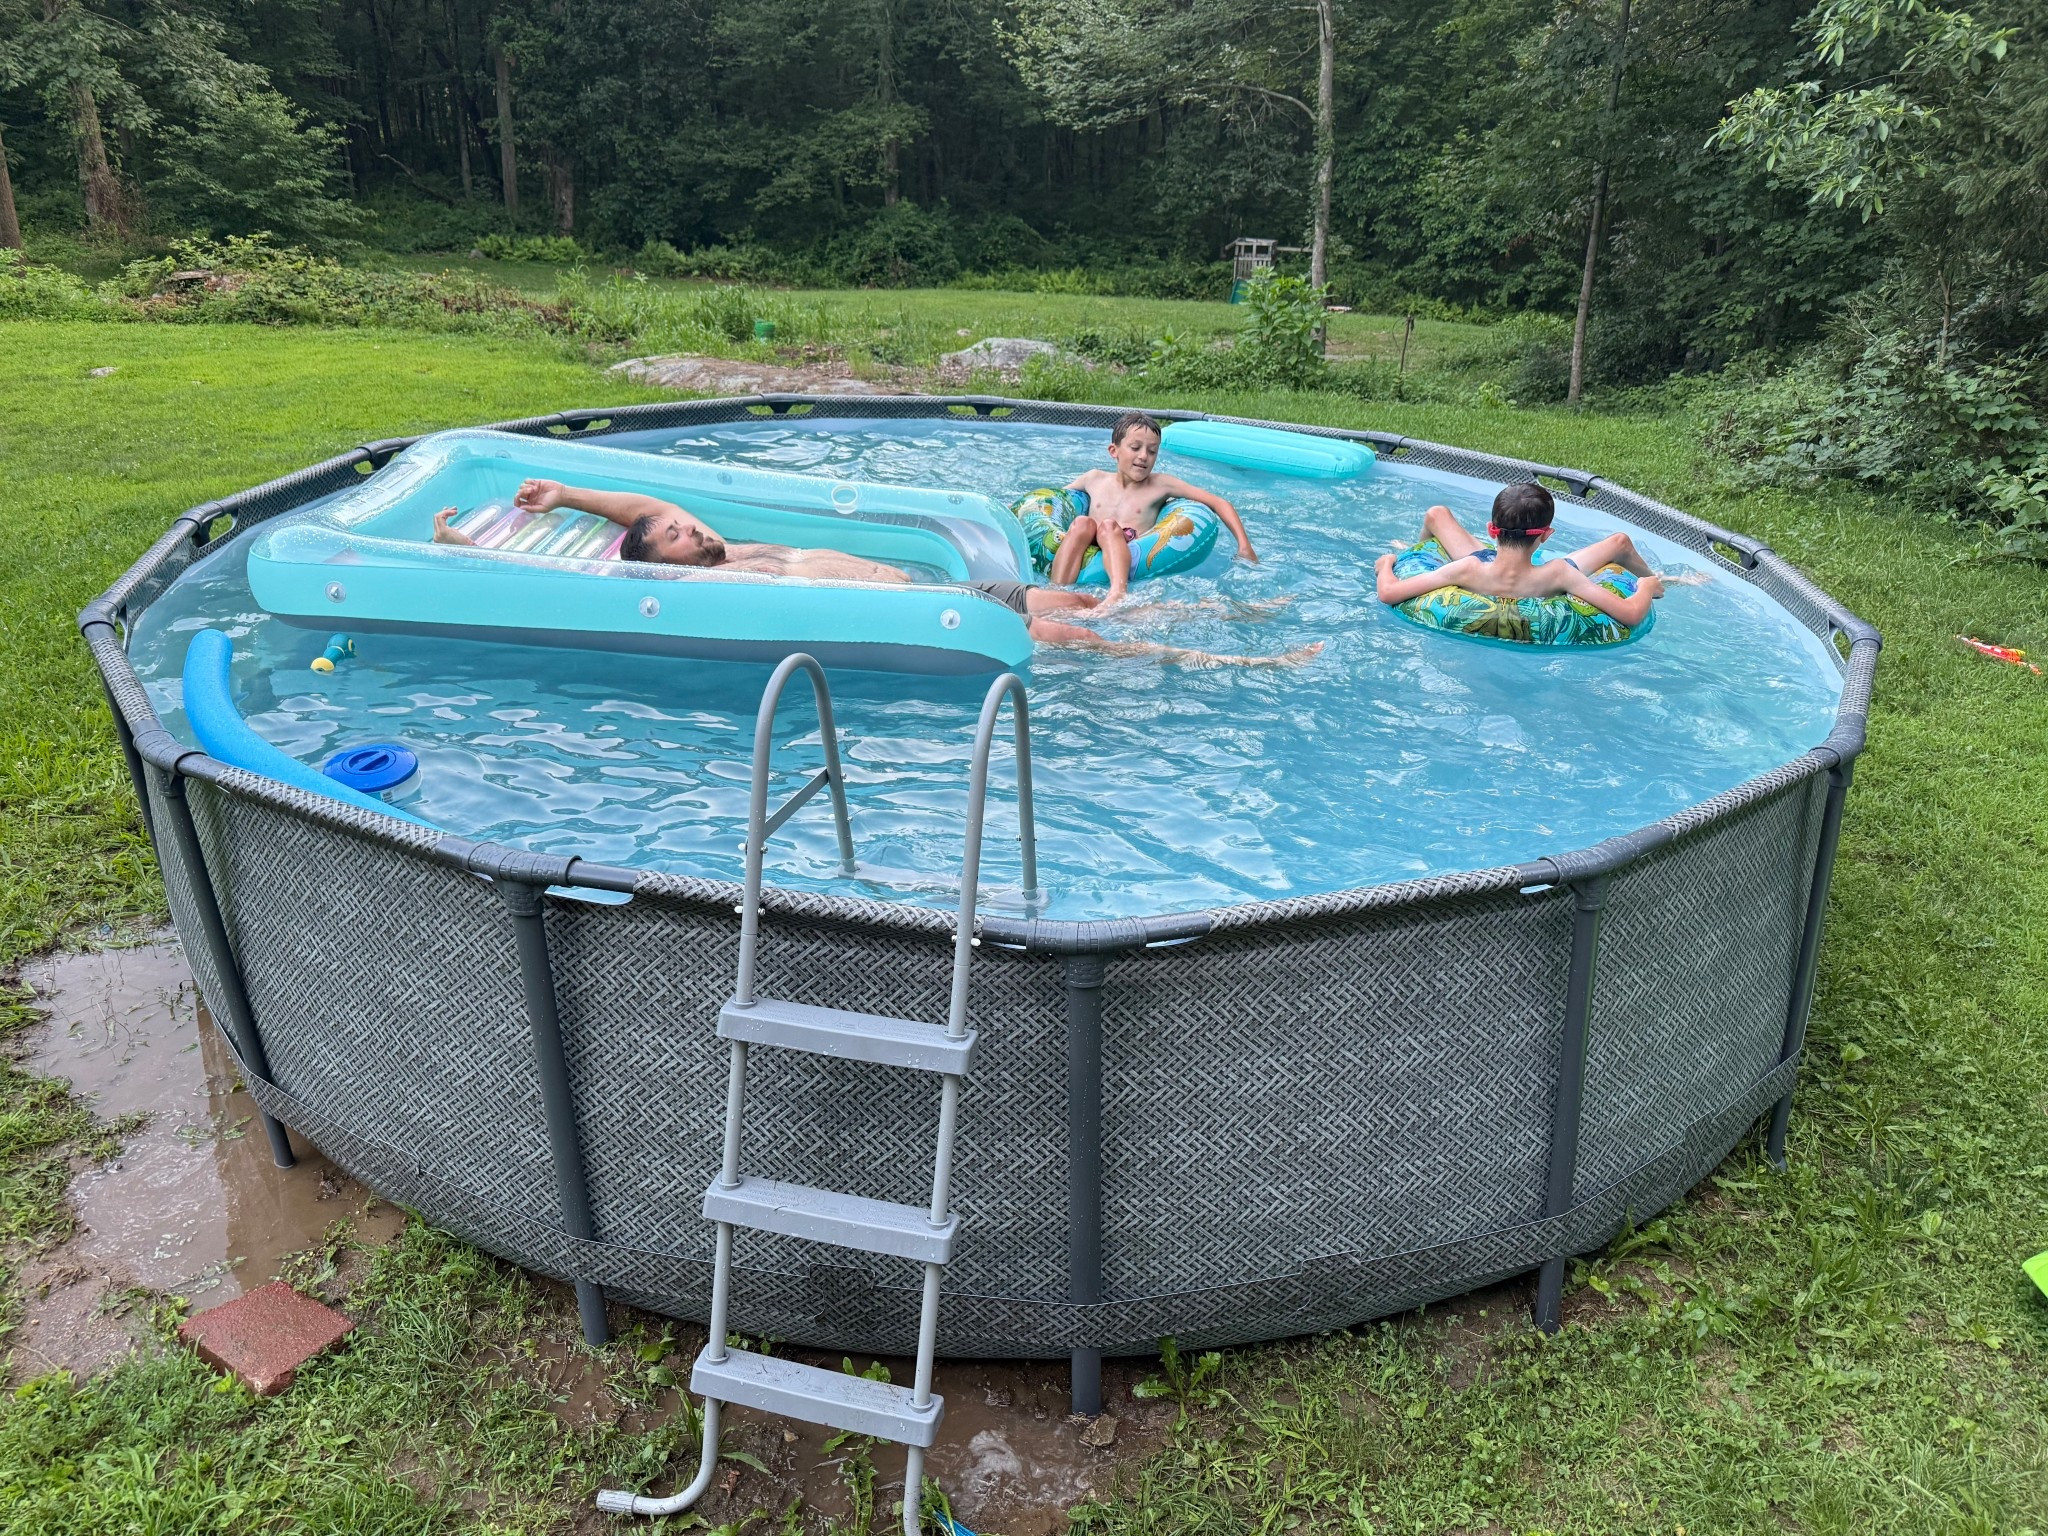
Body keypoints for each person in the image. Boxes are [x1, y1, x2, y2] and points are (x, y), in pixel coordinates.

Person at [436, 478, 1320, 669]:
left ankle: (1233, 620)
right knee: (1079, 633)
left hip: (935, 593)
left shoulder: (732, 546)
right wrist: (474, 553)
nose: (680, 525)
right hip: (927, 621)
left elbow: (628, 509)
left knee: (1083, 592)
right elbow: (604, 570)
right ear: (658, 562)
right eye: (667, 533)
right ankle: (1244, 665)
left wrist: (563, 493)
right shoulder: (690, 584)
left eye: (676, 520)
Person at [1372, 484, 1666, 630]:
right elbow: (1630, 615)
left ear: (1491, 530)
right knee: (1620, 542)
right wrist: (1648, 586)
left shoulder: (1468, 569)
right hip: (1537, 581)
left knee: (1436, 514)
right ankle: (1667, 584)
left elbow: (1388, 592)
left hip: (1488, 567)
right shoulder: (1559, 573)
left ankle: (1418, 547)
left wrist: (1387, 563)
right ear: (1546, 535)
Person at [1049, 412, 1257, 602]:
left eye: (1152, 451)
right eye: (1135, 448)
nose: (1143, 456)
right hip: (1089, 546)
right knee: (1082, 523)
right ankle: (1056, 591)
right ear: (1114, 451)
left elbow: (1218, 502)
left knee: (1109, 527)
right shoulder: (1094, 479)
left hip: (1128, 546)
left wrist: (1244, 546)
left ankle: (1117, 594)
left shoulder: (1161, 485)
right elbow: (1052, 500)